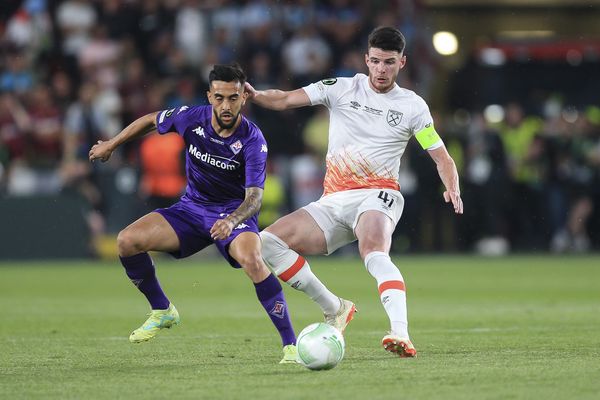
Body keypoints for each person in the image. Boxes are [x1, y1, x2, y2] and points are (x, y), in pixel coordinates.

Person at [245, 26, 463, 358]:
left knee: (374, 251)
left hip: (378, 194)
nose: (381, 70)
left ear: (402, 62)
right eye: (375, 61)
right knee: (267, 243)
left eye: (389, 63)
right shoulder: (342, 88)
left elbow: (441, 155)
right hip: (333, 200)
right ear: (366, 59)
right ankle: (335, 307)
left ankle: (400, 333)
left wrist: (452, 184)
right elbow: (288, 98)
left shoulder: (412, 106)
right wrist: (257, 95)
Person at [88, 64, 297, 364]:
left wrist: (231, 221)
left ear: (244, 98)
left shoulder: (253, 140)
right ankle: (162, 310)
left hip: (233, 214)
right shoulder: (191, 118)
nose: (226, 105)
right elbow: (151, 120)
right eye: (220, 97)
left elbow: (254, 199)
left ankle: (290, 345)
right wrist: (112, 144)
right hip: (191, 208)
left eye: (233, 98)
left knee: (253, 260)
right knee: (127, 241)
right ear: (209, 96)